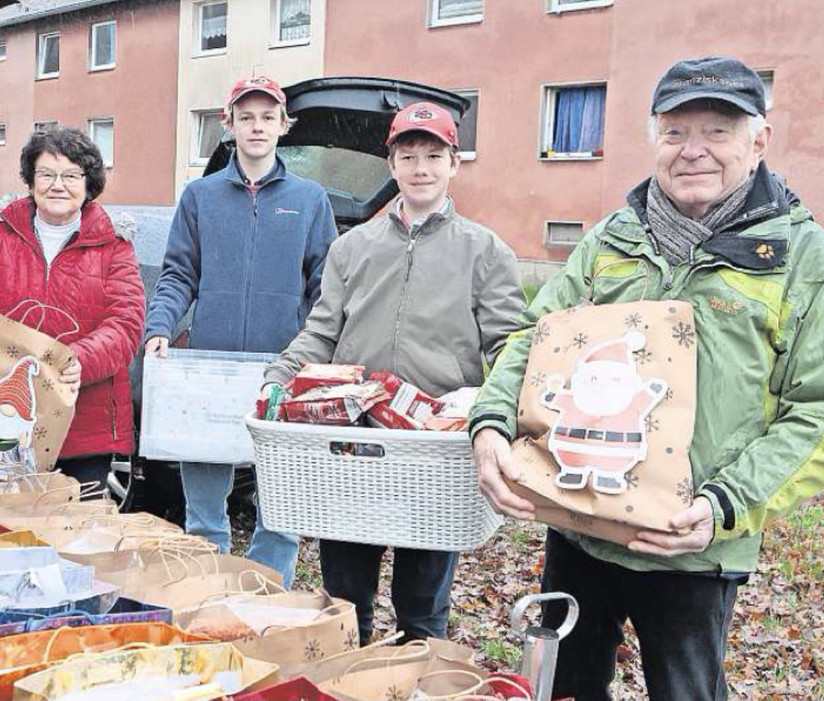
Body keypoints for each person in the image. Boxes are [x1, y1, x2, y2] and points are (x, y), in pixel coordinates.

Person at [471, 56, 824, 701]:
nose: (693, 151)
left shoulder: (801, 259)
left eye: (717, 131)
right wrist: (490, 423)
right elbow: (533, 336)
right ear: (654, 137)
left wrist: (723, 506)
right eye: (674, 132)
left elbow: (815, 412)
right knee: (565, 688)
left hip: (688, 545)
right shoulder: (613, 236)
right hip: (577, 522)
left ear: (759, 140)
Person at [261, 101, 524, 643]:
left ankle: (417, 675)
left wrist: (511, 404)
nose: (421, 168)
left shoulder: (485, 250)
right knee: (344, 595)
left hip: (434, 449)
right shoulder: (351, 247)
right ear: (392, 164)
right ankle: (347, 678)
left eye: (434, 155)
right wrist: (279, 375)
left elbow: (508, 345)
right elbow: (321, 332)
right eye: (408, 155)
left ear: (454, 163)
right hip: (353, 440)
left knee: (423, 605)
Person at [144, 76, 338, 586]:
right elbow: (178, 274)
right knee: (205, 515)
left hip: (283, 372)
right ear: (228, 125)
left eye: (268, 117)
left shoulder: (310, 199)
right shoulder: (200, 197)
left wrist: (322, 354)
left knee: (282, 515)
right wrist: (160, 326)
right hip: (209, 372)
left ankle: (266, 601)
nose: (257, 126)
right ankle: (206, 596)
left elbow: (327, 287)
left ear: (283, 126)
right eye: (246, 117)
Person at [0, 127, 143, 487]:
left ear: (89, 182)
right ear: (31, 180)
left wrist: (80, 359)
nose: (57, 185)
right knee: (0, 527)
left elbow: (125, 323)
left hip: (85, 428)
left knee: (77, 533)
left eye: (70, 175)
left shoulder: (114, 245)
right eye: (46, 174)